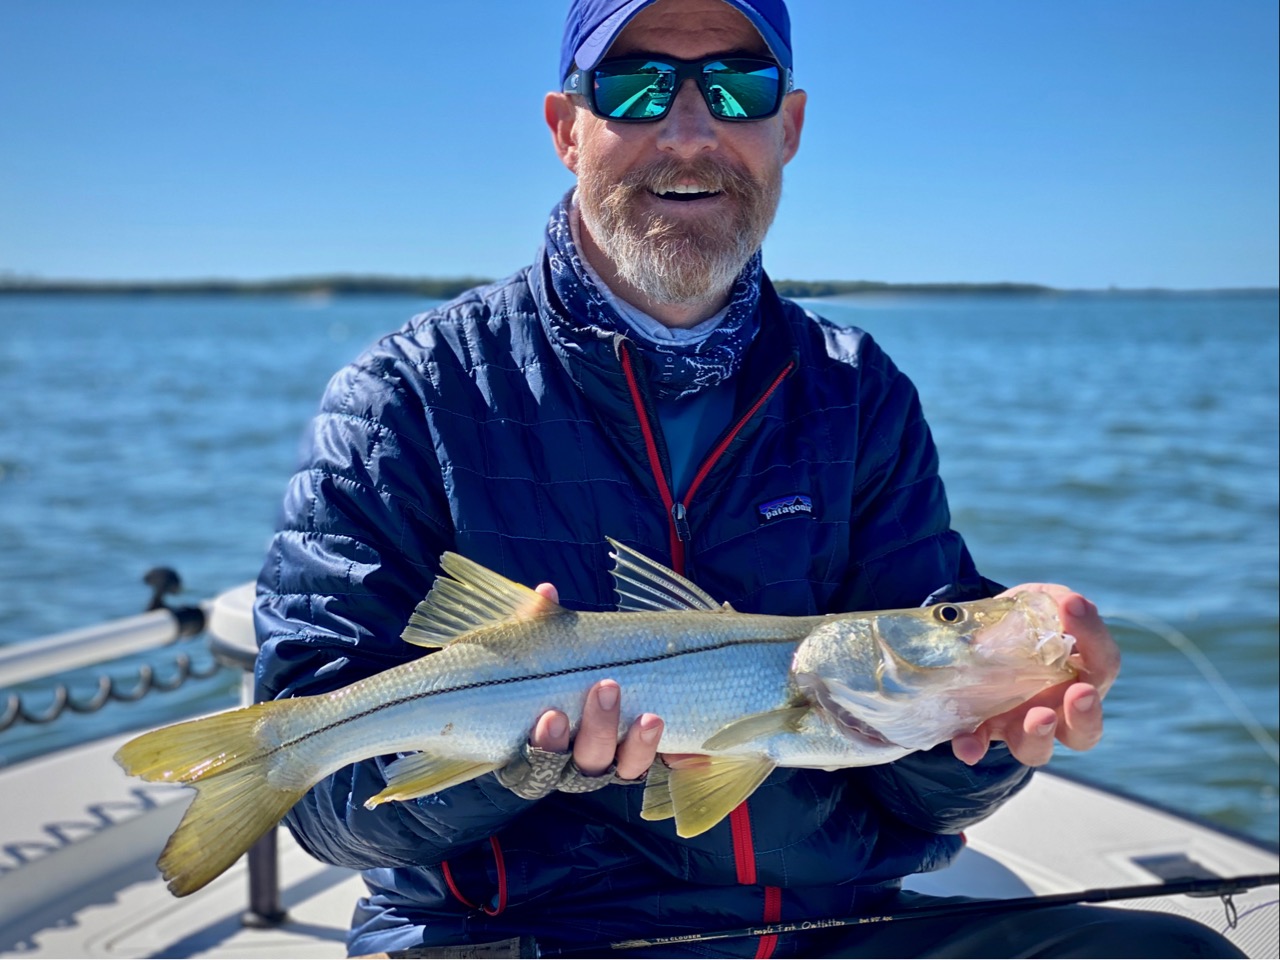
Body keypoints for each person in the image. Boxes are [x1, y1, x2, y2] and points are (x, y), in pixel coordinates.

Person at [254, 1, 1242, 957]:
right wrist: (507, 766)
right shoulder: (407, 395)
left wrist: (969, 727)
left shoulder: (855, 393)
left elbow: (902, 782)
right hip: (519, 943)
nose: (689, 132)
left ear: (789, 127)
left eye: (736, 85)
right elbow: (328, 814)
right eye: (636, 87)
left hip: (831, 937)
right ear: (565, 129)